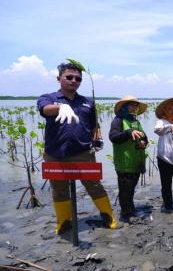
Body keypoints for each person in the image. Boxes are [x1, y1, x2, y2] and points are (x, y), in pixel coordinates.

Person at [37, 61, 118, 234]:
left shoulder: (88, 102)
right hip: (54, 153)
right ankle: (63, 222)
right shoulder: (48, 98)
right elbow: (45, 110)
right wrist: (61, 107)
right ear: (59, 78)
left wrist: (98, 139)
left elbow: (94, 125)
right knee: (59, 190)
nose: (74, 80)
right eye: (69, 77)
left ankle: (108, 215)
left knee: (94, 185)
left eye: (78, 79)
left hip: (83, 152)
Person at [109, 95, 148, 221]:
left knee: (131, 188)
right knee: (125, 189)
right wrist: (128, 132)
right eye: (131, 104)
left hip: (136, 161)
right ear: (124, 106)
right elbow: (113, 137)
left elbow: (143, 136)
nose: (134, 107)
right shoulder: (118, 120)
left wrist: (143, 142)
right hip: (124, 162)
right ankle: (126, 213)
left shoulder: (135, 120)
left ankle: (131, 209)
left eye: (136, 105)